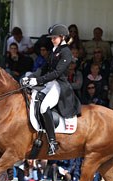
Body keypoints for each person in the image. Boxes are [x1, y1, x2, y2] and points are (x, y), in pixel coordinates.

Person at [23, 23, 81, 155]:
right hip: (48, 83)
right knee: (33, 99)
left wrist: (37, 80)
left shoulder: (66, 53)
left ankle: (53, 142)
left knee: (44, 107)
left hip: (59, 85)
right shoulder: (54, 50)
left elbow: (56, 73)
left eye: (54, 37)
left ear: (62, 37)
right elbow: (44, 68)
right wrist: (30, 77)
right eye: (51, 38)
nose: (52, 40)